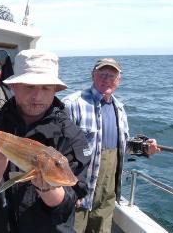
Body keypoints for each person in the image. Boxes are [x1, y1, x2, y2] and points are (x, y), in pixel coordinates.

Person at [0, 49, 91, 233]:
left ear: (55, 90)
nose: (37, 96)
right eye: (29, 86)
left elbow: (69, 203)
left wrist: (46, 188)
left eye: (46, 88)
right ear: (13, 87)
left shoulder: (71, 136)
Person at [61, 58, 161, 233]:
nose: (107, 79)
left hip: (107, 194)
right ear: (93, 75)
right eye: (103, 74)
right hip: (79, 190)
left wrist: (144, 148)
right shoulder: (73, 104)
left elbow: (122, 146)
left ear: (118, 80)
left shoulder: (119, 108)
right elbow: (59, 150)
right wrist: (69, 188)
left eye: (112, 76)